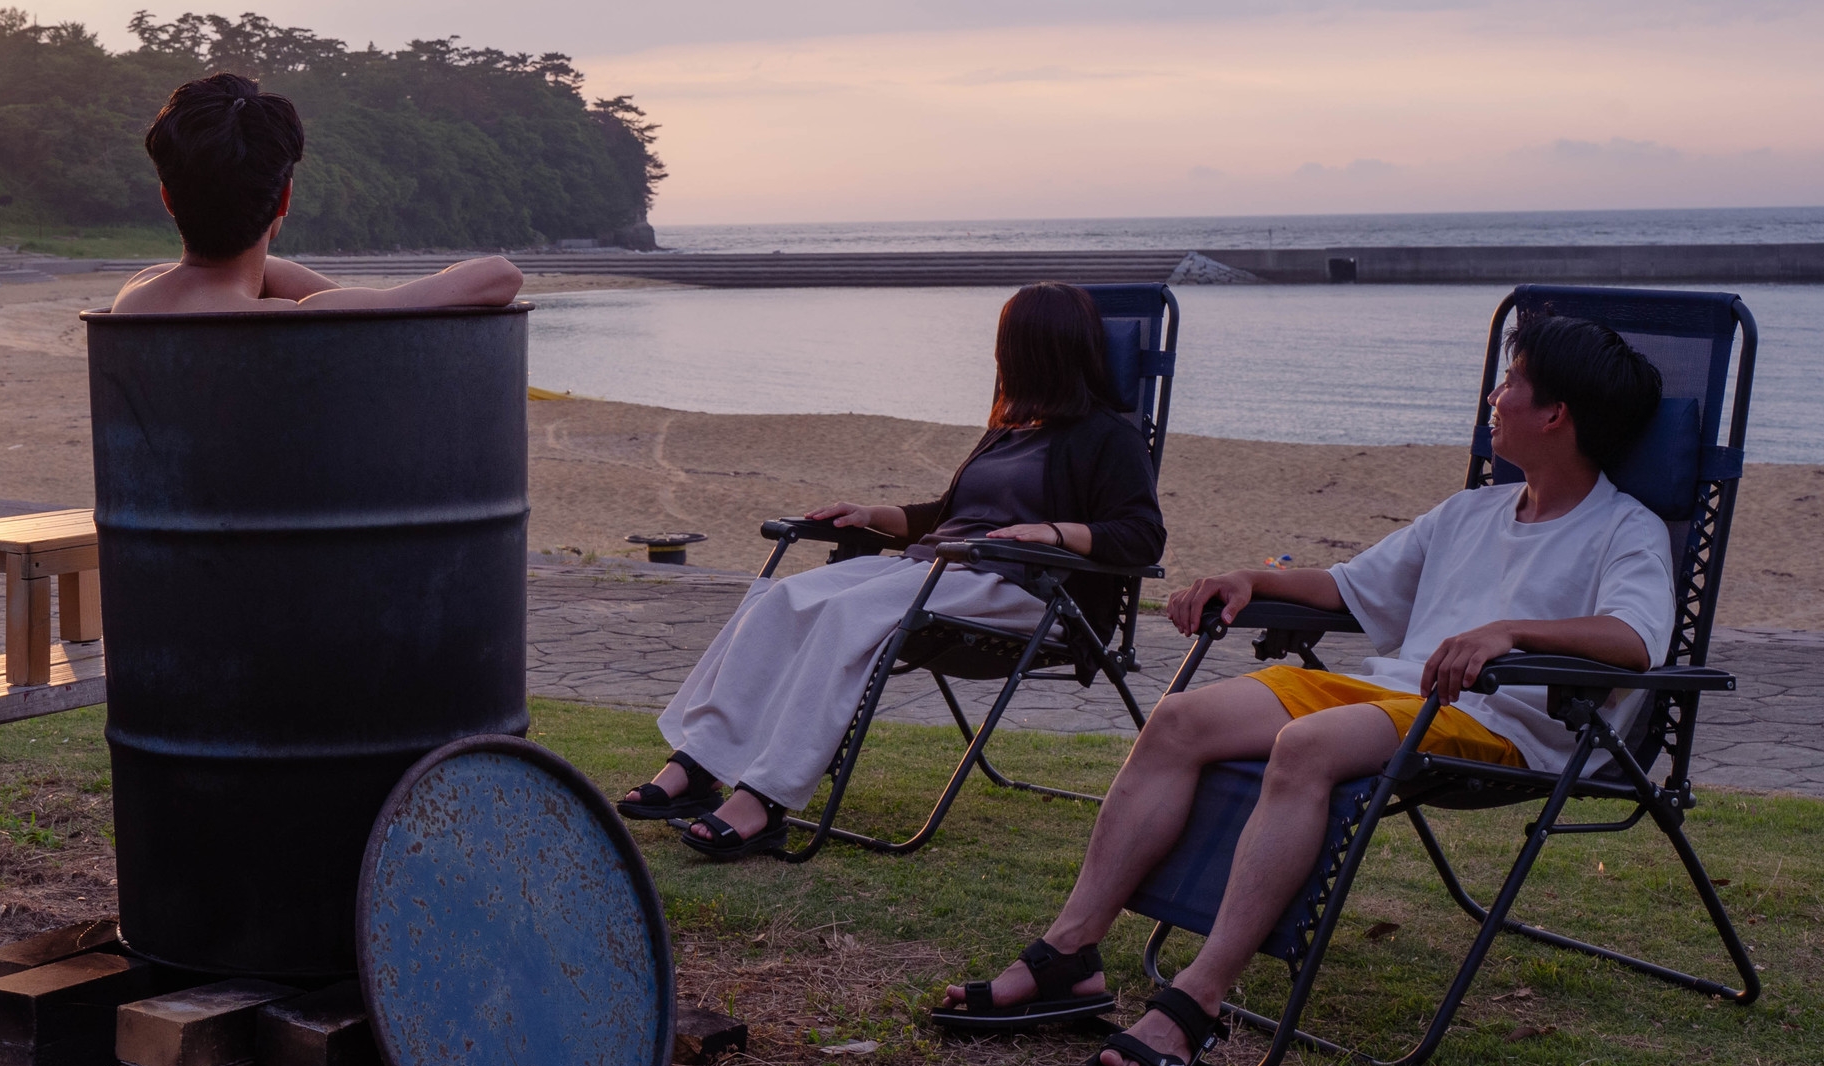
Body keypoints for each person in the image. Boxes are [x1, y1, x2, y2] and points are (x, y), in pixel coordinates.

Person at [938, 311, 1668, 1066]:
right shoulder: (1472, 511)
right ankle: (1068, 955)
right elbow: (1350, 587)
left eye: (1510, 383)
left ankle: (1198, 996)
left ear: (1554, 413)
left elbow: (1632, 639)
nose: (1493, 398)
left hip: (1498, 723)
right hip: (1393, 694)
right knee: (1178, 721)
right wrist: (1249, 578)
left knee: (1306, 744)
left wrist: (1507, 631)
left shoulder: (1622, 529)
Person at [625, 282, 1166, 860]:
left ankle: (764, 797)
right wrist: (874, 515)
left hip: (1029, 590)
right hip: (941, 568)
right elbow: (952, 515)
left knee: (846, 615)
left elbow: (1143, 537)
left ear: (1039, 351)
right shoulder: (1009, 430)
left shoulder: (1109, 438)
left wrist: (1057, 533)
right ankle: (701, 762)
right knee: (779, 600)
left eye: (1007, 346)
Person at [109, 73, 523, 314]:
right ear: (285, 199)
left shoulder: (135, 295)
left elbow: (243, 272)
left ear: (167, 198)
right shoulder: (290, 318)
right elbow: (502, 276)